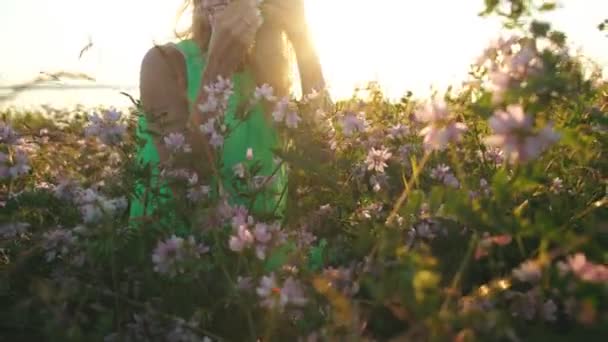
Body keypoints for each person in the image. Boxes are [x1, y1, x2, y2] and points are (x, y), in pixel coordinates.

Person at [129, 0, 326, 230]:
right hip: (177, 252)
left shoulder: (271, 79)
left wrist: (300, 35)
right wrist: (219, 65)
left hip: (258, 255)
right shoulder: (165, 62)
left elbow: (322, 155)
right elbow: (183, 184)